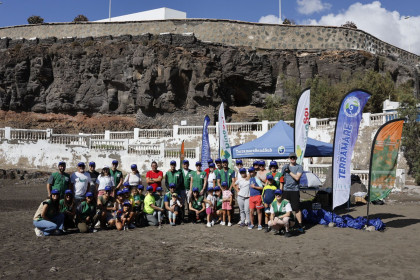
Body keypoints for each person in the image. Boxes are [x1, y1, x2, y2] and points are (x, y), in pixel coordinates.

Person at [281, 152, 304, 233]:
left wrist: (289, 172)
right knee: (285, 209)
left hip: (294, 190)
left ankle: (300, 226)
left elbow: (297, 178)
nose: (292, 159)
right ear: (289, 158)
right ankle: (286, 226)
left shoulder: (299, 167)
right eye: (291, 157)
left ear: (296, 158)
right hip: (286, 190)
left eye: (294, 157)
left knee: (296, 209)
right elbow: (281, 178)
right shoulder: (285, 166)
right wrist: (280, 190)